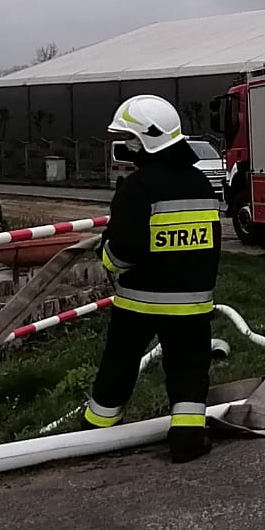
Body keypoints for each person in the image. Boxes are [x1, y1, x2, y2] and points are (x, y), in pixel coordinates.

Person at [85, 94, 222, 461]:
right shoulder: (202, 185)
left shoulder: (137, 188)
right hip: (193, 304)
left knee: (118, 366)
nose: (126, 147)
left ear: (147, 139)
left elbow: (123, 253)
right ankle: (188, 438)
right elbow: (210, 244)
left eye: (130, 139)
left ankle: (93, 436)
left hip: (139, 303)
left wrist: (105, 255)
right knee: (189, 371)